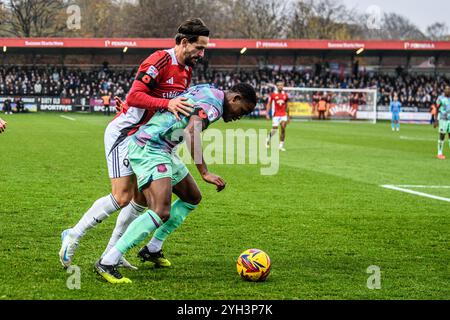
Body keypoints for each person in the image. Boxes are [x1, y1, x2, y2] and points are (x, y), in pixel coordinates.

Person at [59, 18, 210, 269]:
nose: (202, 54)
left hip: (148, 140)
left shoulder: (186, 71)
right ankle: (73, 234)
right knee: (122, 196)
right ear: (185, 42)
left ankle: (112, 255)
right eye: (199, 47)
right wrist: (164, 104)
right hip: (126, 133)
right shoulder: (159, 60)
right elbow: (135, 95)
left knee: (140, 200)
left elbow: (157, 104)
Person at [95, 83, 257, 284]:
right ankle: (108, 261)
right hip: (151, 146)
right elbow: (191, 132)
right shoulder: (214, 106)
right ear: (235, 99)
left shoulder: (208, 89)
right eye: (243, 111)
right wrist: (204, 172)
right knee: (161, 210)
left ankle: (152, 248)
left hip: (163, 147)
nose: (239, 117)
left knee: (192, 197)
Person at [265, 81, 289, 151]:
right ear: (277, 86)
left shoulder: (285, 95)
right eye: (279, 85)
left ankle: (281, 146)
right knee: (274, 129)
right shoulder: (272, 95)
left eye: (282, 85)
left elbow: (287, 105)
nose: (281, 87)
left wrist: (288, 115)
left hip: (283, 114)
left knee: (283, 127)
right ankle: (267, 139)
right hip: (276, 114)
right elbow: (269, 104)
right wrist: (267, 114)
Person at [436, 85, 450, 160]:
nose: (447, 90)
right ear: (444, 90)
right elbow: (437, 108)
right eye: (446, 89)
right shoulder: (440, 98)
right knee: (442, 135)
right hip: (443, 119)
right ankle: (439, 153)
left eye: (449, 89)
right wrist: (435, 120)